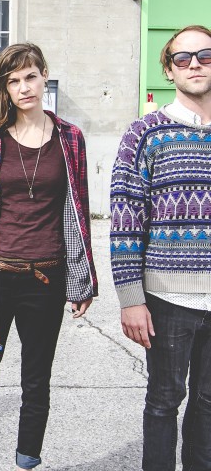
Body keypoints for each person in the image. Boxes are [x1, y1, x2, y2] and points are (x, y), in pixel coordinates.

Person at [0, 43, 97, 471]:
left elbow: (78, 211)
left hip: (46, 277)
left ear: (44, 76)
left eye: (30, 77)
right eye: (14, 81)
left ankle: (27, 460)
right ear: (4, 88)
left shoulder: (70, 139)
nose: (24, 87)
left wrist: (82, 278)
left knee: (36, 381)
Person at [110, 25, 211, 471]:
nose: (195, 65)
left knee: (209, 406)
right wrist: (130, 299)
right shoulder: (145, 134)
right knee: (164, 402)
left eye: (205, 55)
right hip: (168, 298)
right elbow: (125, 220)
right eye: (183, 58)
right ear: (168, 70)